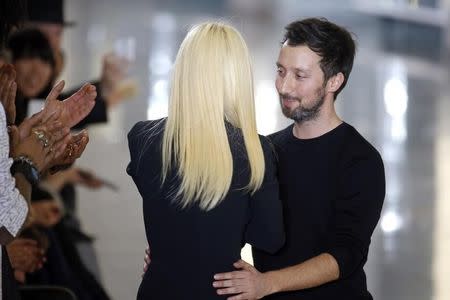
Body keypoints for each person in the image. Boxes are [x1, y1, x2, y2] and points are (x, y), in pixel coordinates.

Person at [212, 18, 386, 300]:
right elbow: (231, 221)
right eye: (281, 71)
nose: (284, 87)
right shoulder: (266, 149)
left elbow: (346, 254)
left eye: (300, 75)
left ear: (334, 81)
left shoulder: (360, 160)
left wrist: (267, 283)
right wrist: (174, 251)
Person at [127, 22, 285, 299]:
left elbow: (170, 211)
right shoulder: (255, 151)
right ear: (236, 78)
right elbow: (269, 238)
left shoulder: (142, 138)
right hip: (219, 292)